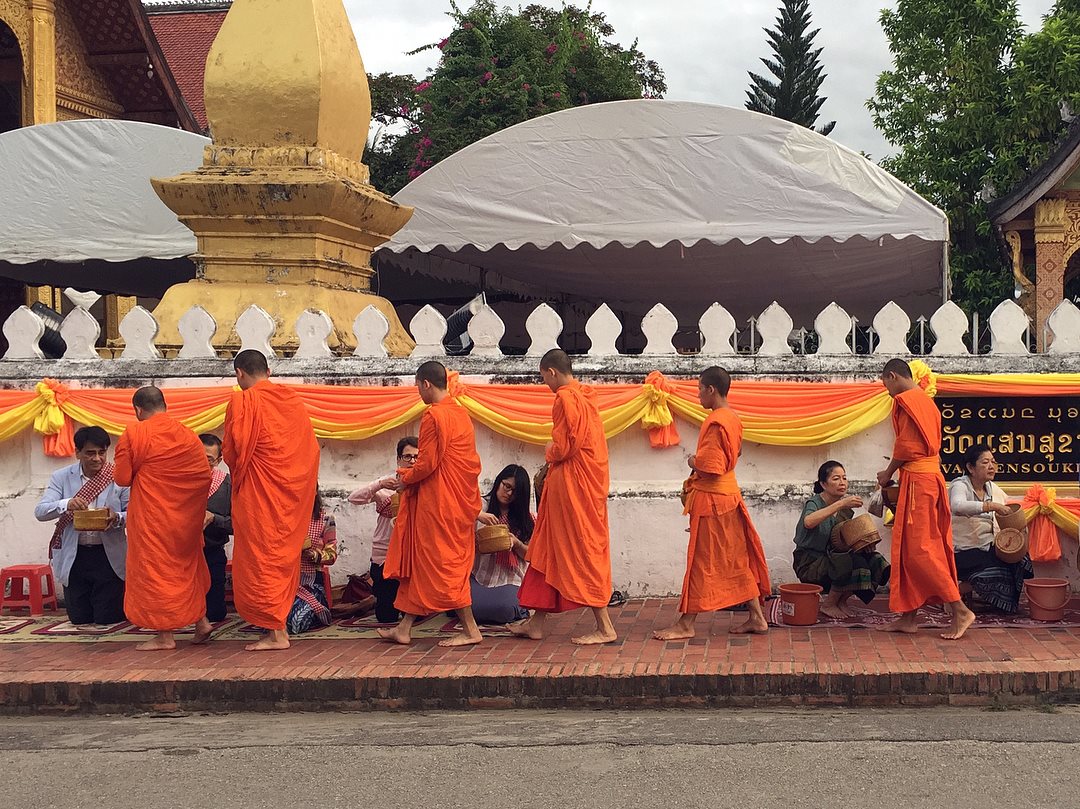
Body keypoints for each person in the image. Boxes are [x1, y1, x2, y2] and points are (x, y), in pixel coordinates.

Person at [653, 366, 771, 640]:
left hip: (714, 502)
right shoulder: (733, 418)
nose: (698, 395)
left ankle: (686, 624)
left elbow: (711, 466)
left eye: (699, 390)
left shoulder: (718, 421)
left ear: (711, 390)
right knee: (734, 559)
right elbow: (736, 453)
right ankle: (756, 617)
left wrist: (692, 461)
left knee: (701, 561)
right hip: (728, 498)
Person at [511, 349, 617, 645]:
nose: (545, 383)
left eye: (543, 377)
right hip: (574, 485)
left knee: (580, 550)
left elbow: (568, 445)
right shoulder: (585, 395)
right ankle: (535, 624)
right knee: (548, 551)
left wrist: (550, 451)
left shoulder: (565, 398)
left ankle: (605, 627)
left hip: (573, 487)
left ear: (552, 372)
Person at [380, 361, 484, 647]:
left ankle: (471, 630)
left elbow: (427, 463)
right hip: (455, 500)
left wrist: (405, 479)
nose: (417, 391)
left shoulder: (434, 415)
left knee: (443, 565)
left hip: (440, 504)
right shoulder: (460, 414)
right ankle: (404, 628)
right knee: (424, 563)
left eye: (417, 385)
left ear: (426, 384)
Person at [223, 349, 321, 652]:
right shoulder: (292, 400)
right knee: (278, 560)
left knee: (261, 560)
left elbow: (233, 452)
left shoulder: (242, 401)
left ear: (239, 373)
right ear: (268, 371)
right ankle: (277, 627)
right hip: (288, 497)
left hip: (259, 497)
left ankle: (277, 633)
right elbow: (309, 450)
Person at [877, 358, 975, 640]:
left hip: (919, 482)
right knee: (910, 548)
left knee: (921, 549)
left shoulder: (906, 400)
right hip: (927, 478)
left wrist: (887, 473)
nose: (887, 390)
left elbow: (906, 447)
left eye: (885, 383)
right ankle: (908, 617)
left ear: (893, 376)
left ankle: (960, 610)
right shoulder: (926, 402)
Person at [113, 386, 213, 651]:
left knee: (156, 572)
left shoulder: (135, 433)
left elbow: (122, 478)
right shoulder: (188, 435)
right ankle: (201, 623)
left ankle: (164, 635)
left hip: (153, 519)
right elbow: (203, 476)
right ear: (164, 405)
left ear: (138, 410)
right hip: (185, 519)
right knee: (186, 569)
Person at [34, 426, 128, 629]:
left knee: (108, 618)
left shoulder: (119, 477)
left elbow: (136, 513)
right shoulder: (61, 477)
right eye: (90, 453)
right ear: (77, 452)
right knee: (79, 618)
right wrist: (67, 504)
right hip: (75, 555)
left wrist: (117, 517)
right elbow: (40, 512)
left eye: (102, 452)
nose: (97, 459)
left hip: (108, 556)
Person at [792, 461, 891, 618]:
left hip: (831, 558)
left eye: (844, 478)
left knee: (873, 560)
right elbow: (809, 522)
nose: (842, 482)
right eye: (836, 478)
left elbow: (840, 541)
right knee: (849, 561)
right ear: (823, 484)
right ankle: (829, 604)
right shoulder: (815, 502)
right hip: (809, 562)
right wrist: (841, 504)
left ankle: (841, 601)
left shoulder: (845, 509)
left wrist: (863, 546)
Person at [949, 444, 1033, 613]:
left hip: (987, 547)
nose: (991, 466)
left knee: (1019, 559)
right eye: (985, 462)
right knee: (999, 569)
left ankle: (1002, 603)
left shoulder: (992, 487)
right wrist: (990, 506)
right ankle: (952, 594)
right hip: (963, 551)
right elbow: (957, 506)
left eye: (993, 462)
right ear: (970, 467)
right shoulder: (960, 485)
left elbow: (1008, 509)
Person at [348, 436, 418, 623]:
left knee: (418, 614)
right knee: (386, 617)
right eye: (408, 456)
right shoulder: (387, 485)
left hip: (412, 554)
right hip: (385, 554)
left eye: (417, 457)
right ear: (398, 459)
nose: (412, 461)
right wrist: (378, 485)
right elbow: (354, 498)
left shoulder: (424, 485)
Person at [474, 464, 533, 624]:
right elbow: (456, 513)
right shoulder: (480, 507)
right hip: (479, 577)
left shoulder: (526, 519)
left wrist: (516, 543)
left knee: (505, 608)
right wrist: (478, 515)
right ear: (498, 481)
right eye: (506, 486)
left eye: (515, 492)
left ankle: (514, 606)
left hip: (510, 579)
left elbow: (530, 556)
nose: (509, 494)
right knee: (460, 603)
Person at [286, 489, 338, 634]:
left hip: (311, 582)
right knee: (272, 617)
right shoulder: (286, 517)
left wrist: (314, 555)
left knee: (296, 621)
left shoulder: (326, 519)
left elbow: (332, 554)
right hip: (286, 580)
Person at [200, 433, 232, 624]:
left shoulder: (226, 485)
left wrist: (214, 518)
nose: (202, 464)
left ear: (219, 460)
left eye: (209, 460)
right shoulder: (178, 481)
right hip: (182, 554)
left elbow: (237, 524)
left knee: (214, 613)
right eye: (198, 457)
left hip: (212, 552)